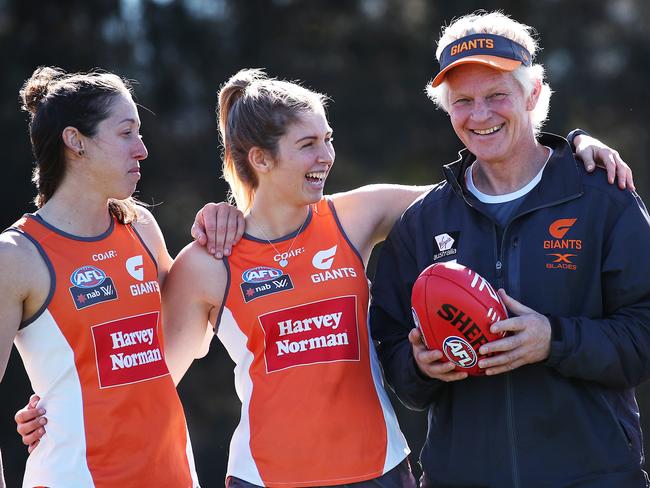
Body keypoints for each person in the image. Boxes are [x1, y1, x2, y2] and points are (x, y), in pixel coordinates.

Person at [12, 67, 632, 487]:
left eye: (328, 140)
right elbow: (150, 369)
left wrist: (568, 144)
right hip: (262, 477)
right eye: (309, 145)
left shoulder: (357, 216)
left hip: (380, 471)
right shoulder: (207, 259)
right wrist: (55, 407)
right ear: (261, 159)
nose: (327, 157)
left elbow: (489, 186)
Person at [369, 11, 650, 488]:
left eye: (497, 95)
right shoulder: (424, 221)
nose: (480, 115)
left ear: (533, 93)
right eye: (463, 101)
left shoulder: (603, 199)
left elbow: (644, 334)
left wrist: (553, 340)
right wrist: (419, 367)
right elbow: (392, 349)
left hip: (593, 477)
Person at [0, 66, 203, 487]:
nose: (143, 149)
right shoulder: (16, 256)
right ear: (76, 142)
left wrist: (225, 221)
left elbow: (191, 332)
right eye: (127, 132)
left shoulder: (141, 227)